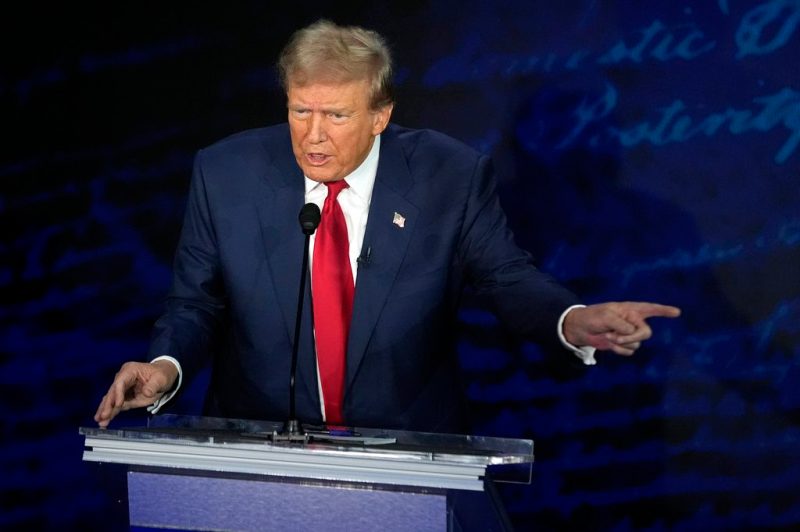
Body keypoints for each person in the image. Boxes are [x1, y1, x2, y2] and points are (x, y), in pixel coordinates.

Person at [94, 20, 680, 433]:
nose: (313, 135)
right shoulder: (226, 173)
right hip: (257, 449)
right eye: (301, 110)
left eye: (337, 115)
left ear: (380, 115)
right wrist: (164, 367)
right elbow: (195, 304)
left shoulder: (448, 176)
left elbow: (506, 279)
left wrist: (570, 320)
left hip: (405, 448)